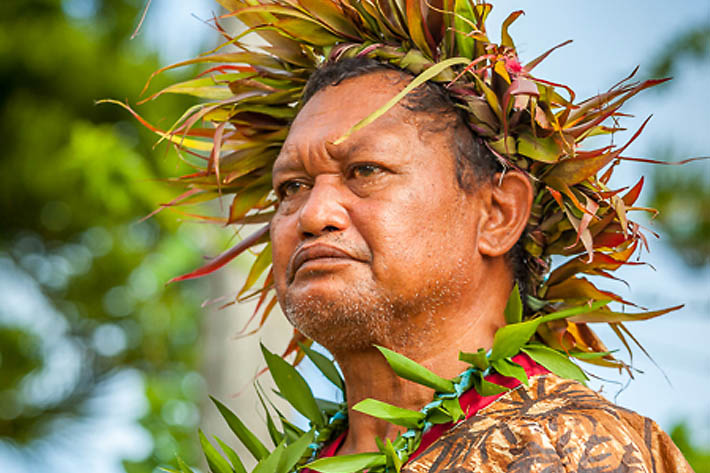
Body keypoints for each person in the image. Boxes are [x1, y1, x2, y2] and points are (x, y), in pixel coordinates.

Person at [132, 1, 694, 472]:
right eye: (293, 186)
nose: (312, 214)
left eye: (365, 171)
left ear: (497, 213)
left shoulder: (574, 449)